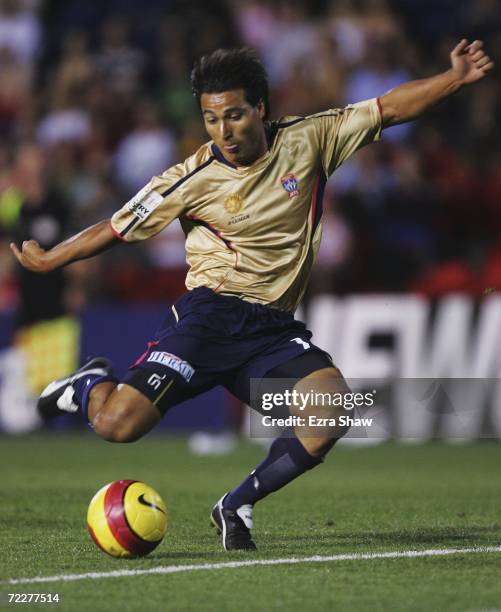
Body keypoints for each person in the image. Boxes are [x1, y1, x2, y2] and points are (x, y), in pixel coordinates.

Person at [11, 40, 493, 551]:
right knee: (116, 427)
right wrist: (52, 258)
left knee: (330, 410)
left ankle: (235, 503)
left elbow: (388, 109)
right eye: (212, 119)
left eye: (235, 115)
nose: (224, 131)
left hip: (271, 335)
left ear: (261, 108)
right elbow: (116, 226)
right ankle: (90, 386)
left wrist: (454, 79)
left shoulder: (311, 140)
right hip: (207, 323)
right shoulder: (190, 177)